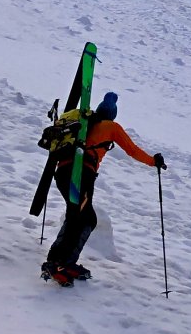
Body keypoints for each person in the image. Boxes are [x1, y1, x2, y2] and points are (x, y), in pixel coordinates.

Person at [42, 91, 164, 286]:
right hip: (82, 174)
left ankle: (56, 260)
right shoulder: (111, 127)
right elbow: (131, 150)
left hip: (64, 172)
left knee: (79, 215)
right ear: (113, 114)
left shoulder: (82, 122)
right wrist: (153, 161)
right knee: (83, 218)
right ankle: (62, 264)